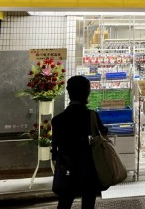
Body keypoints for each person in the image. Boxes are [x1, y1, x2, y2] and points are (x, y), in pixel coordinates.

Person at [52, 76, 107, 209]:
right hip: (88, 168)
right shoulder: (91, 116)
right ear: (87, 93)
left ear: (68, 92)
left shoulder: (58, 120)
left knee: (64, 203)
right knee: (88, 203)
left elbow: (55, 148)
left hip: (67, 168)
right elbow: (103, 133)